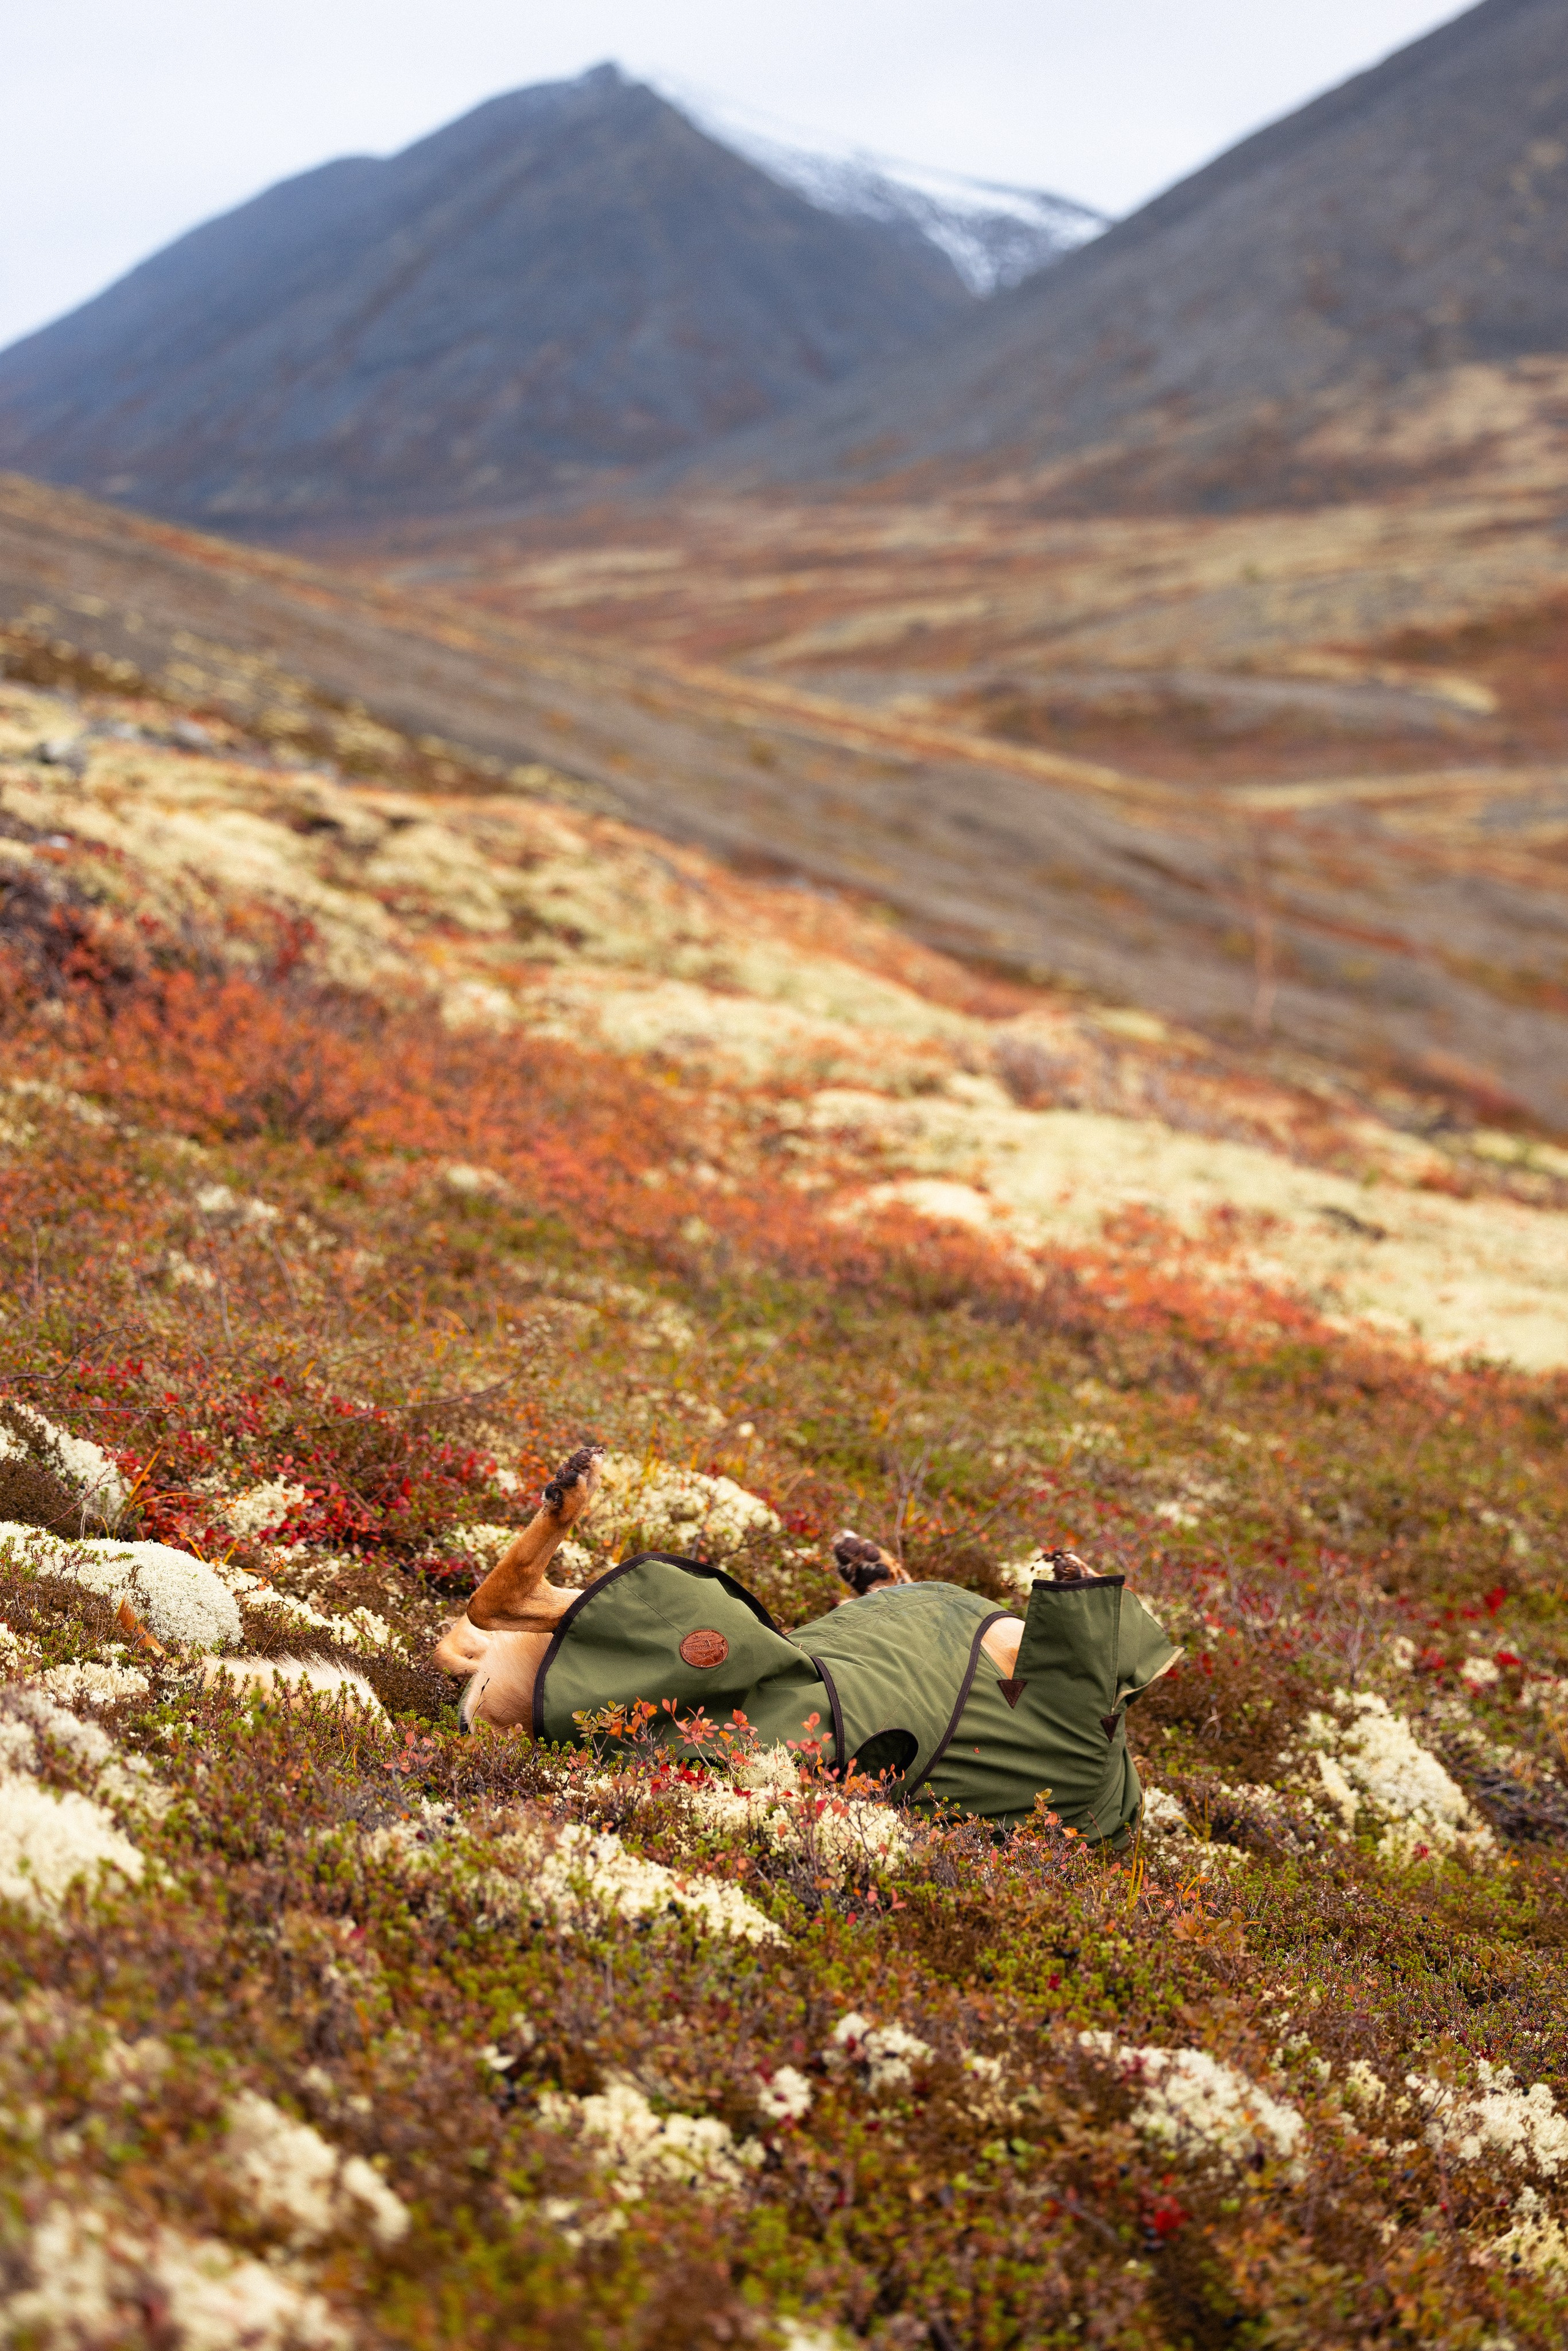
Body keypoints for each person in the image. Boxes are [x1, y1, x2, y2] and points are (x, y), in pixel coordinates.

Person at [431, 1445, 1181, 1841]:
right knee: (866, 1667)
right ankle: (889, 1590)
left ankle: (532, 1603)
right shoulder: (1086, 1798)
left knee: (775, 1666)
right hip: (926, 1700)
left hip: (896, 1691)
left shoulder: (1083, 1774)